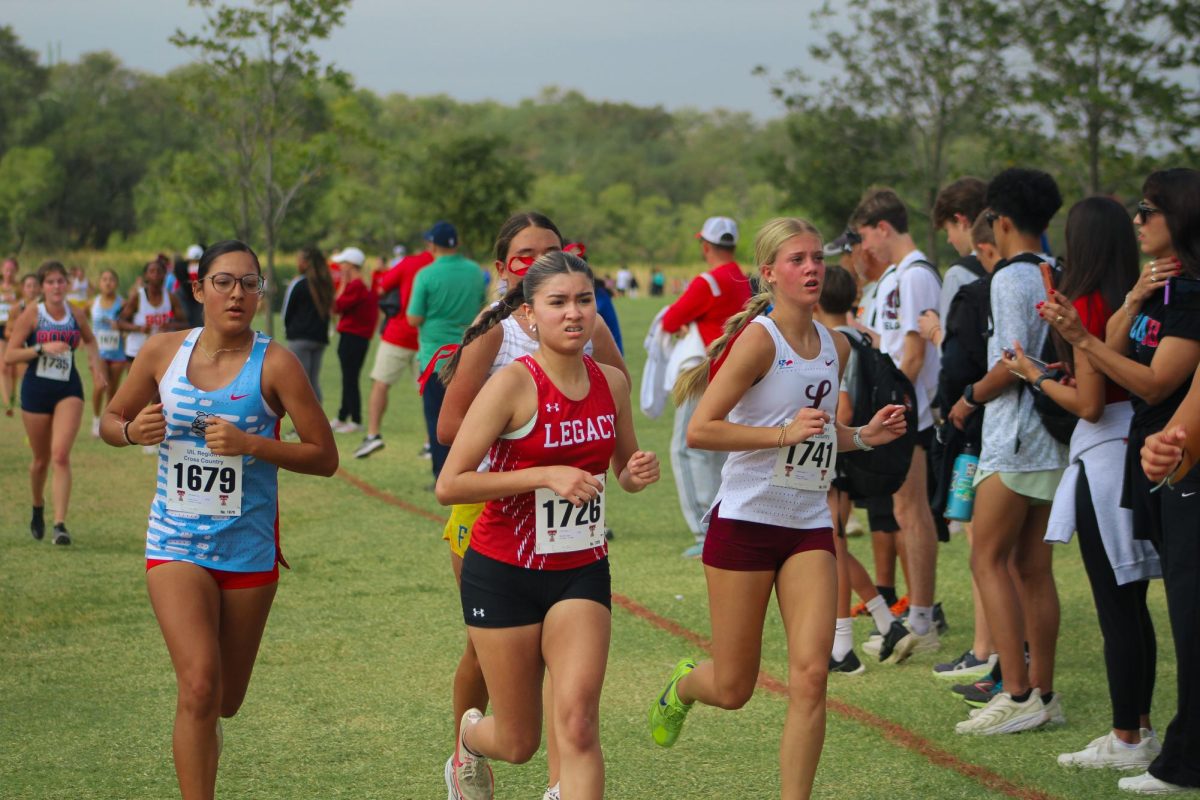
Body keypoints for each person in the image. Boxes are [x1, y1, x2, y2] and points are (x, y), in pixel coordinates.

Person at [647, 218, 906, 800]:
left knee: (812, 677)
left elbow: (820, 433)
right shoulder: (760, 340)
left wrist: (863, 435)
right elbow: (703, 431)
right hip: (745, 522)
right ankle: (685, 688)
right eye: (796, 259)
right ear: (769, 273)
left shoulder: (836, 344)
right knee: (734, 687)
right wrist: (781, 435)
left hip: (808, 525)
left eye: (817, 257)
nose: (812, 268)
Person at [99, 240, 337, 800]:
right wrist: (133, 432)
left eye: (250, 284)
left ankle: (204, 734)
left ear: (260, 293)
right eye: (224, 282)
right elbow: (110, 418)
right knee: (200, 687)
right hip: (175, 542)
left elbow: (325, 457)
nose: (237, 294)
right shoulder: (162, 353)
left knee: (225, 699)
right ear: (200, 288)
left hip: (248, 551)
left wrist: (251, 443)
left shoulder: (276, 363)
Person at [436, 250, 659, 800]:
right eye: (557, 302)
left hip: (580, 570)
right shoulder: (512, 384)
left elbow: (623, 475)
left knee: (579, 722)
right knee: (517, 742)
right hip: (503, 570)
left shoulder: (613, 383)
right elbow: (451, 484)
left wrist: (635, 474)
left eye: (584, 300)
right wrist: (544, 475)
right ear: (530, 314)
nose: (573, 313)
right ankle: (469, 737)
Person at [1042, 168, 1200, 794]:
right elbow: (1114, 350)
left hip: (1178, 460)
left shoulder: (1191, 291)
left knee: (1182, 612)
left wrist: (1075, 339)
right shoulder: (1161, 288)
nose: (1138, 221)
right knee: (1176, 608)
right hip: (1152, 460)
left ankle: (1175, 757)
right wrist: (1130, 301)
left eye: (1148, 211)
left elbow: (1153, 383)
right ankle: (1164, 747)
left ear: (1179, 219)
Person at [1006, 196, 1162, 767]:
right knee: (1134, 604)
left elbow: (1090, 404)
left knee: (1118, 607)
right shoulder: (1139, 297)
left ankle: (1128, 738)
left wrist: (1032, 376)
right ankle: (1137, 731)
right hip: (1140, 447)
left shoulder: (1091, 301)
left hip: (1106, 460)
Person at [947, 167, 1067, 734]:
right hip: (1054, 437)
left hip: (1014, 439)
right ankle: (1043, 692)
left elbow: (1011, 363)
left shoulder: (1009, 277)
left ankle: (1016, 693)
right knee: (1032, 568)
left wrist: (968, 398)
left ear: (1002, 220)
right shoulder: (1056, 269)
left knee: (986, 558)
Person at [852, 187, 943, 659]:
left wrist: (888, 405)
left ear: (882, 228)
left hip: (908, 412)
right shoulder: (897, 275)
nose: (866, 246)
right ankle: (919, 611)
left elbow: (913, 353)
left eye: (868, 235)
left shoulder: (915, 275)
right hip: (897, 410)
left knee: (912, 512)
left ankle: (923, 616)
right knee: (904, 511)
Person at [813, 263, 905, 674]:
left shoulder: (833, 343)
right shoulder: (866, 335)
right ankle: (886, 622)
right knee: (834, 547)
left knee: (831, 549)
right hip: (855, 458)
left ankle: (842, 646)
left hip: (835, 459)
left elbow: (844, 409)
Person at [661, 216, 753, 558]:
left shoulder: (707, 281)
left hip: (705, 375)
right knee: (723, 453)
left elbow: (671, 320)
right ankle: (727, 521)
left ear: (706, 246)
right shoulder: (744, 279)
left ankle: (705, 532)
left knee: (688, 449)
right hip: (738, 377)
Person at [4, 260, 108, 545]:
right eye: (50, 282)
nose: (56, 287)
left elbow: (90, 340)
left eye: (61, 281)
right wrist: (40, 348)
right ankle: (37, 506)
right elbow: (10, 356)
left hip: (68, 388)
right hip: (36, 390)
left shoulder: (75, 312)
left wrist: (95, 366)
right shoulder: (32, 315)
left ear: (68, 284)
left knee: (60, 455)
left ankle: (60, 524)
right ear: (42, 287)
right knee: (41, 461)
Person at [408, 221, 485, 480]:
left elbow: (414, 318)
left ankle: (443, 474)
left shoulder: (426, 274)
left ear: (431, 244)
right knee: (470, 419)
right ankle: (470, 470)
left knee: (437, 420)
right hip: (470, 356)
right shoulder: (476, 272)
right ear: (457, 243)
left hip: (435, 359)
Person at [353, 240, 435, 458]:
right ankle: (431, 443)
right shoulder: (448, 267)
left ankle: (373, 436)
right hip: (430, 338)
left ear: (428, 243)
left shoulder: (409, 262)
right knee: (430, 391)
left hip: (398, 332)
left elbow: (383, 285)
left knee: (380, 384)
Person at [330, 247, 377, 433]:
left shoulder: (356, 286)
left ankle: (355, 420)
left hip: (353, 337)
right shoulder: (363, 284)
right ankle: (343, 416)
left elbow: (336, 306)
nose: (340, 266)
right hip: (357, 338)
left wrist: (342, 284)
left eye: (343, 263)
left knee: (350, 378)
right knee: (349, 377)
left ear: (350, 265)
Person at [282, 246, 334, 404]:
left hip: (300, 337)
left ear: (305, 263)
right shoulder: (325, 283)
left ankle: (306, 426)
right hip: (319, 338)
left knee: (301, 384)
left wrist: (288, 330)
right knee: (312, 382)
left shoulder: (298, 283)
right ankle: (317, 423)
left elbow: (286, 311)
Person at [120, 255, 184, 362]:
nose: (155, 274)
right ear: (146, 275)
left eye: (159, 271)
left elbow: (185, 324)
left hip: (161, 351)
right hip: (137, 351)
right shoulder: (137, 297)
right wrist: (139, 328)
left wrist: (170, 326)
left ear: (165, 275)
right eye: (152, 271)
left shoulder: (171, 298)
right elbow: (121, 322)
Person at [89, 269, 128, 437]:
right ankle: (96, 419)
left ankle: (107, 423)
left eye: (111, 279)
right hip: (99, 353)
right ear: (99, 283)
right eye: (104, 279)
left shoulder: (124, 304)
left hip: (118, 353)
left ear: (116, 283)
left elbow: (129, 327)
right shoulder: (93, 303)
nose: (108, 283)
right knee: (100, 385)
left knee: (112, 391)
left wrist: (120, 327)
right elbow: (81, 321)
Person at [0, 257, 19, 413]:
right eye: (6, 270)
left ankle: (13, 396)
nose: (8, 273)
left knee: (13, 368)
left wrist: (14, 301)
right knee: (3, 366)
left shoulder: (19, 289)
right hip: (0, 327)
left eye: (11, 271)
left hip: (15, 328)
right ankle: (7, 404)